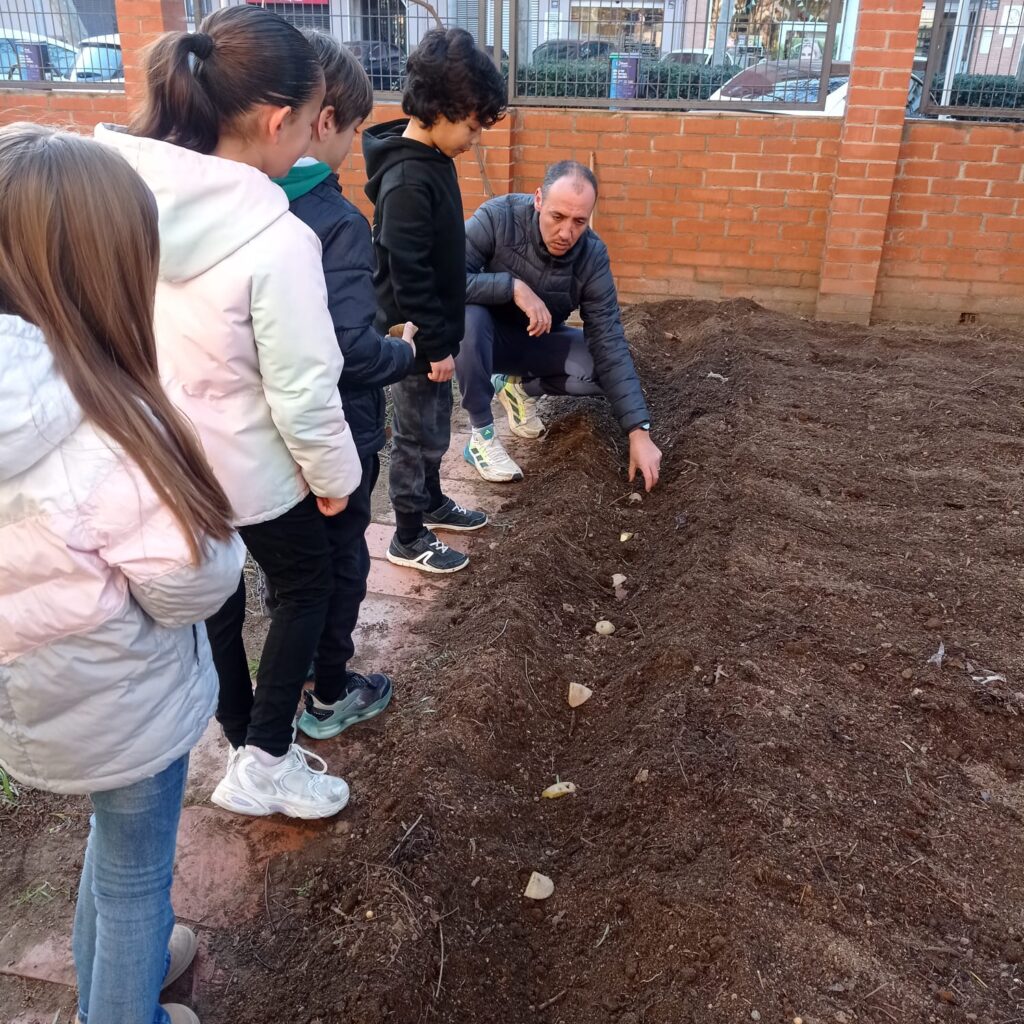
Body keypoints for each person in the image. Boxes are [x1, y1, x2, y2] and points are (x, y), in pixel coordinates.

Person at [0, 124, 244, 1024]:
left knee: (111, 852)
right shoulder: (109, 423)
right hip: (123, 699)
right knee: (137, 872)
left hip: (30, 693)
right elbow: (188, 586)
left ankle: (116, 986)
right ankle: (123, 1010)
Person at [96, 6, 365, 819]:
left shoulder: (124, 202)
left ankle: (245, 732)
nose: (311, 143)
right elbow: (303, 389)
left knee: (217, 596)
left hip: (169, 456)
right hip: (254, 465)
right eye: (308, 126)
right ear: (278, 122)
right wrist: (335, 479)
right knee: (306, 586)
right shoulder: (276, 237)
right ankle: (266, 759)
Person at [272, 31, 416, 739]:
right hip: (335, 433)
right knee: (340, 561)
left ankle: (290, 675)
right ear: (324, 121)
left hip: (267, 438)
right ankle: (328, 694)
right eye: (355, 129)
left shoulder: (244, 201)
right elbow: (349, 354)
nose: (355, 144)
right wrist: (403, 352)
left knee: (294, 570)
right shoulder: (335, 222)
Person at [363, 27, 507, 575]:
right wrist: (436, 343)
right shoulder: (406, 180)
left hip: (435, 333)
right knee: (414, 434)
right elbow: (409, 271)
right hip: (414, 337)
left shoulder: (433, 159)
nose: (474, 138)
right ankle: (406, 534)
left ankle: (431, 501)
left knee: (435, 426)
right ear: (441, 110)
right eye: (472, 126)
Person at [457, 160, 663, 491]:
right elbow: (447, 280)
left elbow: (608, 340)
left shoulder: (591, 256)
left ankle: (518, 389)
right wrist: (512, 287)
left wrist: (639, 431)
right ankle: (481, 435)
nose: (566, 233)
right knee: (468, 315)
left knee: (598, 368)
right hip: (481, 339)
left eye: (579, 221)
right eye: (558, 217)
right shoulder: (498, 217)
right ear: (539, 199)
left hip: (535, 342)